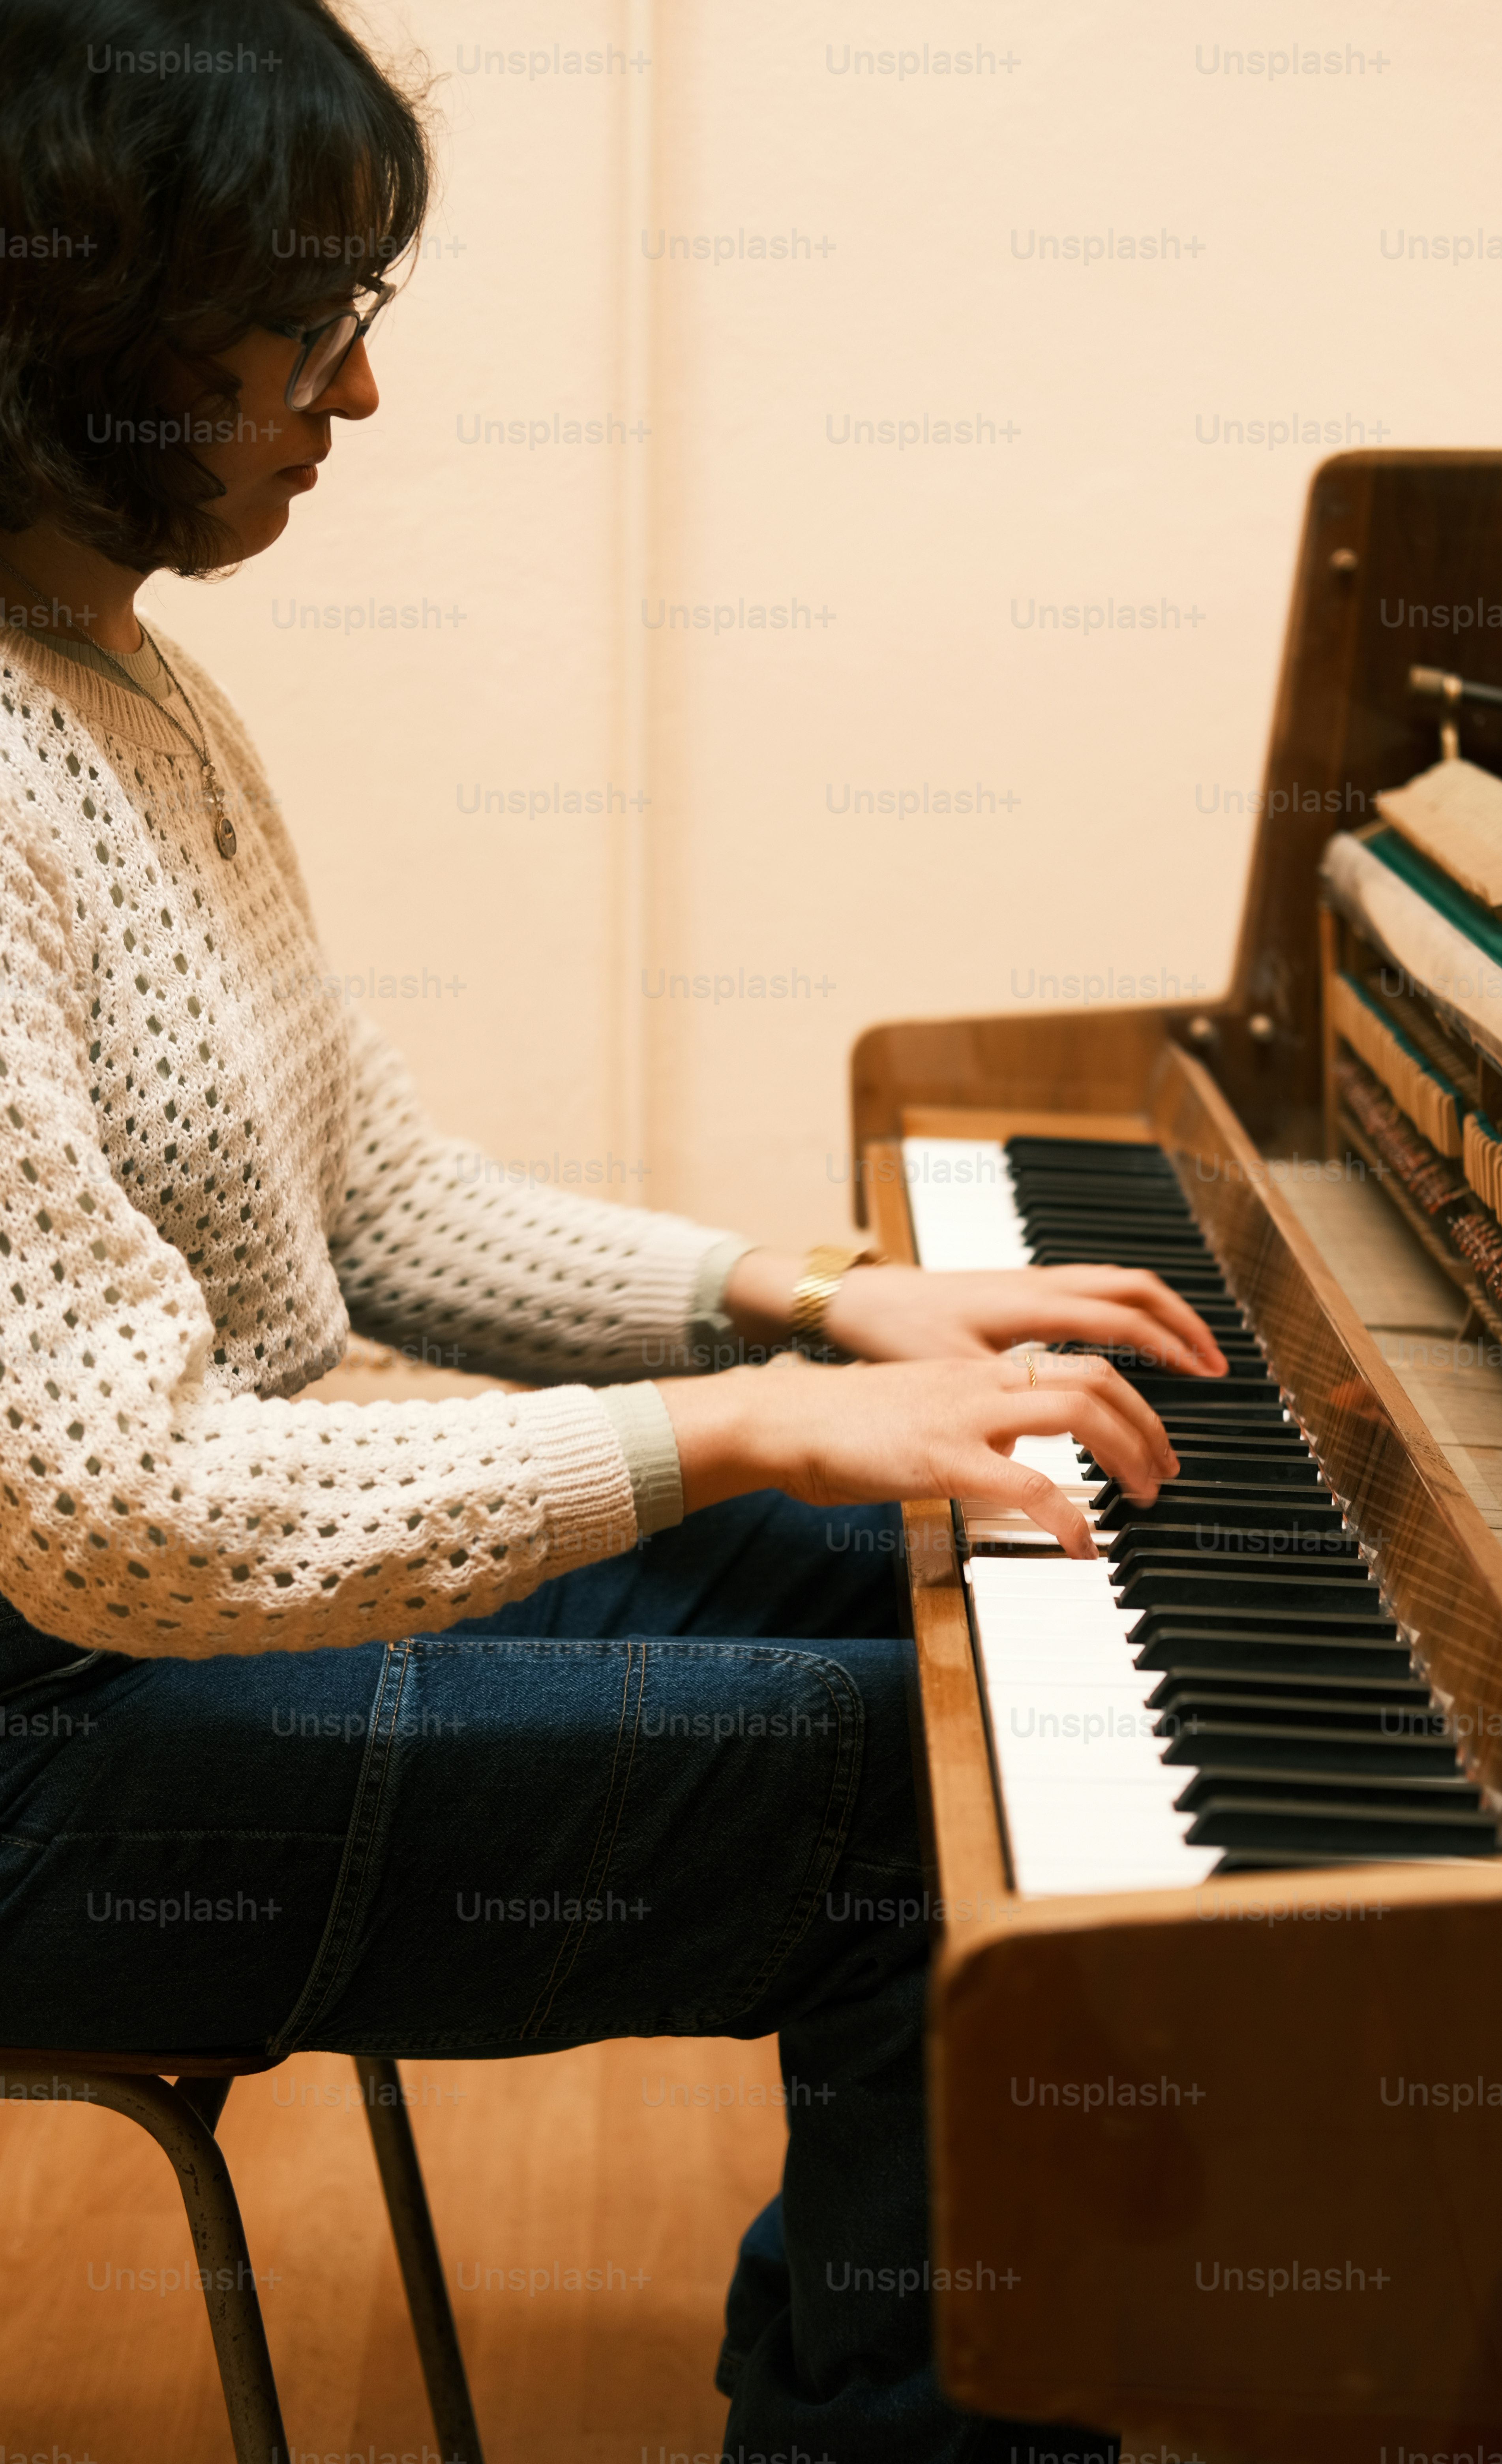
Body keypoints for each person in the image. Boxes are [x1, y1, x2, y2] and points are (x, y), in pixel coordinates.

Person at [0, 4, 1224, 2455]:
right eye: (307, 319)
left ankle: (898, 2383)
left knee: (1009, 1566)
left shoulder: (127, 685)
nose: (351, 403)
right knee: (955, 1826)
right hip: (62, 1761)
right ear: (85, 329)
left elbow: (376, 1200)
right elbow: (112, 1516)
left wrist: (816, 1299)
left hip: (184, 1635)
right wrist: (746, 1425)